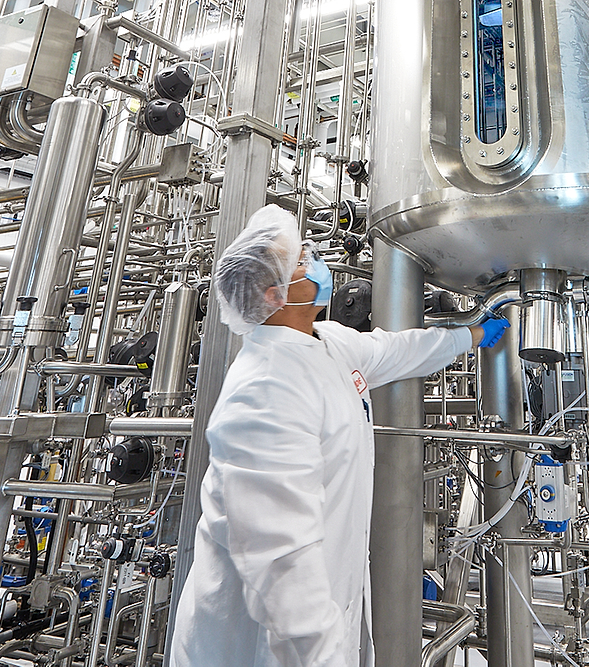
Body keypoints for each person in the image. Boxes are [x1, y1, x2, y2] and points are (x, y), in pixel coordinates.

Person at [170, 205, 509, 667]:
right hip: (263, 640)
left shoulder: (326, 341)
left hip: (324, 602)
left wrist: (469, 335)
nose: (316, 259)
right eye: (303, 261)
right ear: (276, 293)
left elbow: (397, 350)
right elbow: (279, 561)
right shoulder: (264, 389)